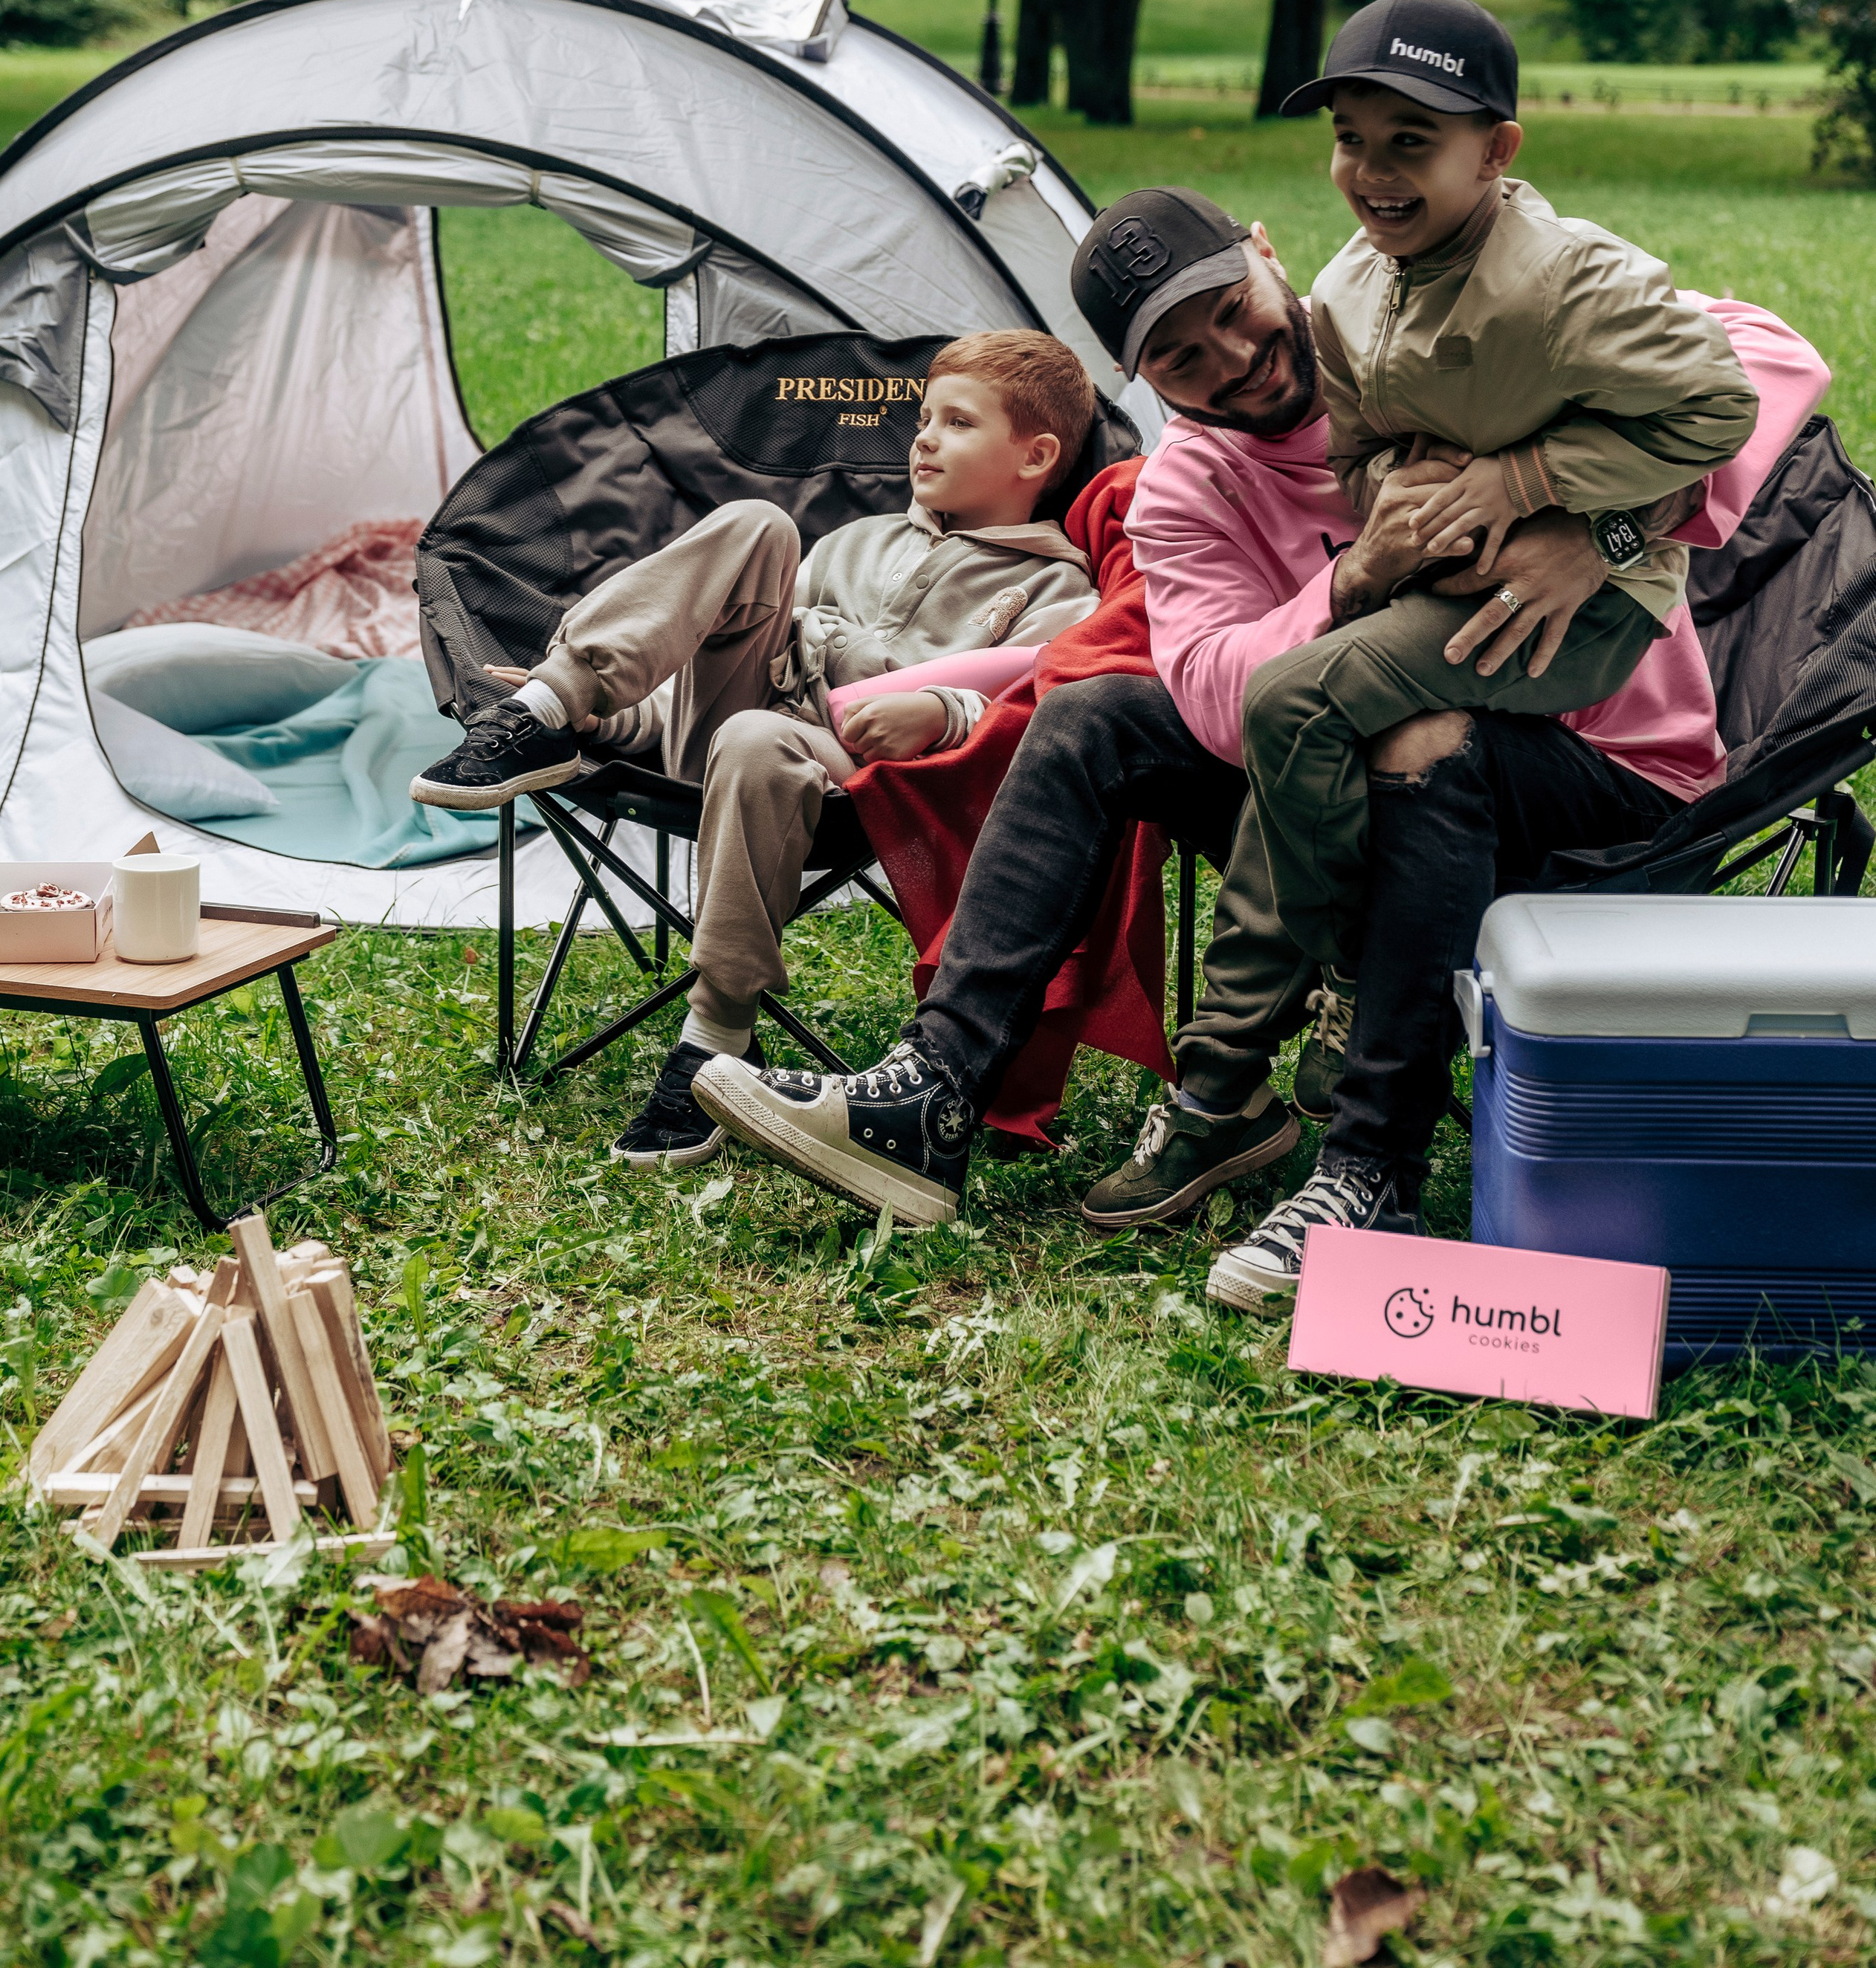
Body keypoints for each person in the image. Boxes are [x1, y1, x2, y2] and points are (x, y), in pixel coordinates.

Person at [696, 151, 1823, 1231]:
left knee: (1419, 728)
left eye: (1231, 307)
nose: (1231, 356)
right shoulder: (1187, 487)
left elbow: (1769, 354)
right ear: (1144, 386)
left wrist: (1600, 525)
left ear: (1269, 253)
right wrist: (1355, 576)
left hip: (1606, 771)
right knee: (1098, 713)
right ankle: (934, 1091)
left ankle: (1367, 1165)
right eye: (1183, 358)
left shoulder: (1422, 320)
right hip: (1341, 781)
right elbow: (1217, 702)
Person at [410, 331, 1101, 1168]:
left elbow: (1039, 719)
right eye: (923, 417)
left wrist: (944, 710)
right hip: (730, 743)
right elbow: (723, 663)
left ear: (1035, 455)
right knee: (759, 525)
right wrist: (613, 728)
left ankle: (716, 1034)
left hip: (866, 794)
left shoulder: (1058, 589)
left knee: (756, 735)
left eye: (956, 423)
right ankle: (553, 705)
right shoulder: (852, 543)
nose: (921, 436)